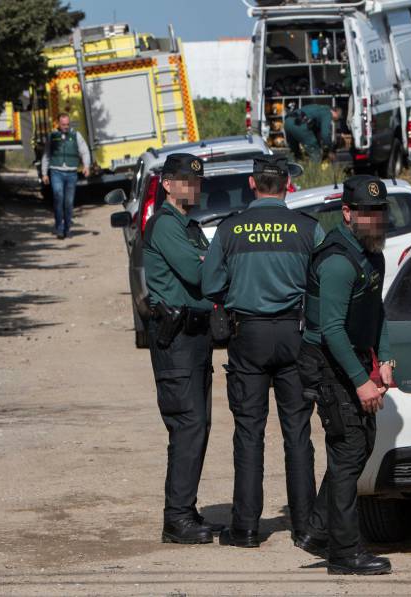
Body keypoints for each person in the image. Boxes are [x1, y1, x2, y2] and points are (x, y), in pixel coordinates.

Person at [201, 155, 325, 548]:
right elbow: (324, 283)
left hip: (247, 337)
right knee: (298, 434)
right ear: (288, 184)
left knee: (249, 434)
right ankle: (305, 527)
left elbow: (209, 285)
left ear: (253, 185)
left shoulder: (230, 229)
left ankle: (247, 528)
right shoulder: (309, 229)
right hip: (295, 334)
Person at [293, 174, 394, 575]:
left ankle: (320, 530)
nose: (376, 221)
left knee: (359, 446)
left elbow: (376, 309)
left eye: (380, 213)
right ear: (348, 213)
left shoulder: (373, 254)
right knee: (349, 450)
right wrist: (361, 380)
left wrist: (385, 357)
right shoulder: (337, 261)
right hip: (327, 362)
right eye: (368, 214)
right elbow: (331, 330)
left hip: (351, 356)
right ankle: (344, 552)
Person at [143, 153, 218, 544]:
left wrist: (208, 259)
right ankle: (176, 519)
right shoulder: (166, 226)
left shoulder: (188, 227)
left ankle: (185, 511)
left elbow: (208, 265)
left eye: (198, 181)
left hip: (195, 337)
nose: (194, 187)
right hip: (177, 340)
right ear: (168, 184)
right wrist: (208, 260)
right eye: (187, 181)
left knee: (197, 425)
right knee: (188, 425)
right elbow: (199, 272)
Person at [40, 113, 90, 239]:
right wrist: (44, 173)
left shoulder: (76, 135)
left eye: (67, 124)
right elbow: (46, 155)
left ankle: (67, 228)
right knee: (58, 197)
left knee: (68, 202)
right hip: (56, 171)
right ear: (58, 124)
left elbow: (84, 151)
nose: (66, 127)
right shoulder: (52, 136)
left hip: (71, 173)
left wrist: (86, 166)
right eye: (63, 125)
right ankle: (59, 227)